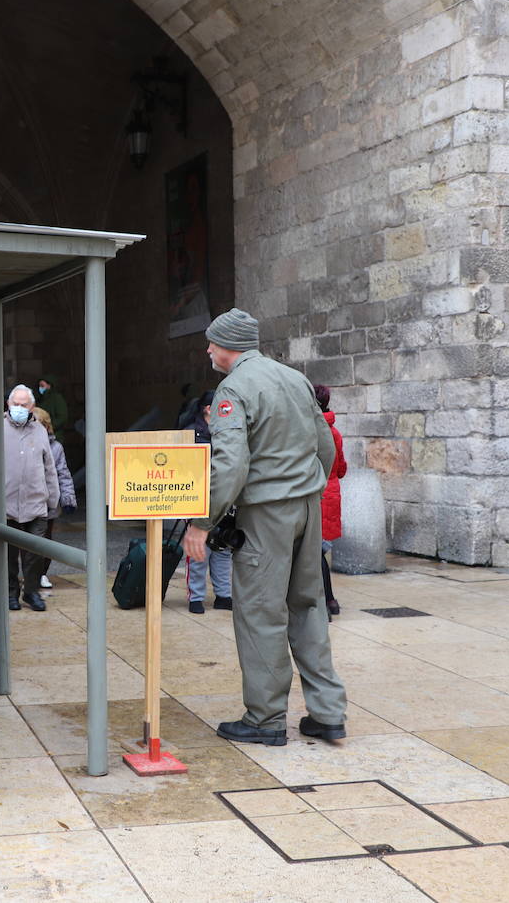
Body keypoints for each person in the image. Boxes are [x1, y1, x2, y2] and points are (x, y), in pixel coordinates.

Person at [181, 308, 347, 747]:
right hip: (306, 508)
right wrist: (306, 488)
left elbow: (231, 465)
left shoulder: (232, 389)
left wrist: (201, 522)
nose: (209, 350)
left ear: (229, 344)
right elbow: (325, 446)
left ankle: (265, 719)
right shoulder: (294, 379)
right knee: (308, 606)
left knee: (259, 613)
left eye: (213, 343)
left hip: (266, 515)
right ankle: (327, 713)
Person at [0, 384, 59, 611]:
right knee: (8, 556)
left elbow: (49, 468)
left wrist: (53, 499)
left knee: (35, 555)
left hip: (36, 504)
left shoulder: (40, 430)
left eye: (24, 405)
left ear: (32, 406)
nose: (19, 408)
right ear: (8, 404)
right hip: (7, 506)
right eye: (16, 404)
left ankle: (31, 592)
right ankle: (11, 592)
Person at [181, 392, 232, 614]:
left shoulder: (228, 433)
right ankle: (196, 597)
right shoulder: (189, 434)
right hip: (197, 497)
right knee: (198, 549)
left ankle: (223, 595)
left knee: (222, 548)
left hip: (224, 498)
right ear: (209, 409)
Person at [32, 406, 76, 589]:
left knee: (45, 538)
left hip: (49, 499)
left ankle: (41, 573)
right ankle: (30, 573)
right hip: (26, 499)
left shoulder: (56, 447)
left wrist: (68, 498)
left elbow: (62, 473)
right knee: (25, 540)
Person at [313, 384, 346, 618]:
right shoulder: (334, 431)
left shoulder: (314, 430)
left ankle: (326, 602)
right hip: (331, 492)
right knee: (317, 552)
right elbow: (341, 467)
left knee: (313, 552)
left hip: (317, 495)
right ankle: (329, 600)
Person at [36, 375, 69, 441]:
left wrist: (49, 427)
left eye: (42, 386)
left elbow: (62, 417)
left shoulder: (57, 398)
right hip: (40, 435)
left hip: (55, 435)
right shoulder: (39, 399)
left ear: (49, 386)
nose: (40, 388)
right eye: (39, 386)